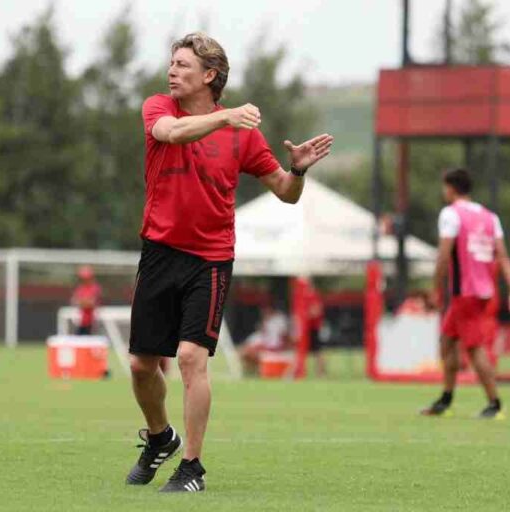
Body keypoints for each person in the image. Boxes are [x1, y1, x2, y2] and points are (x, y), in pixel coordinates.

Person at [125, 32, 333, 493]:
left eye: (182, 65)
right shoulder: (160, 107)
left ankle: (192, 468)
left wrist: (296, 169)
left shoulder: (243, 134)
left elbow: (285, 192)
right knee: (141, 365)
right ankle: (160, 438)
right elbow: (170, 133)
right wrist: (224, 118)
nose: (172, 71)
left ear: (209, 75)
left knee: (191, 357)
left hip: (211, 259)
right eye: (172, 63)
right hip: (159, 251)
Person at [421, 168, 510, 420]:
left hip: (464, 293)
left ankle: (495, 404)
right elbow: (502, 256)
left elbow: (444, 256)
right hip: (483, 291)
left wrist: (435, 290)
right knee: (447, 343)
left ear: (450, 188)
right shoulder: (490, 217)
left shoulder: (450, 214)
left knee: (474, 348)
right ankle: (445, 400)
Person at [240, 304, 290, 374]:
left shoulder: (279, 320)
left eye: (266, 310)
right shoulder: (264, 324)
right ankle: (250, 371)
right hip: (265, 344)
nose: (264, 312)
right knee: (245, 352)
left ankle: (256, 371)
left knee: (249, 352)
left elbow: (283, 338)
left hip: (273, 347)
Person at [70, 266, 101, 335]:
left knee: (90, 342)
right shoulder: (80, 288)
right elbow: (74, 301)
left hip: (91, 321)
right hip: (80, 320)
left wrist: (82, 302)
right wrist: (84, 302)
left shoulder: (95, 288)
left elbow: (91, 303)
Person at [307, 285, 328, 378]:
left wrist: (306, 315)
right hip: (310, 328)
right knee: (317, 351)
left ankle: (321, 372)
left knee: (318, 351)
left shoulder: (313, 296)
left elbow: (316, 310)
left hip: (314, 328)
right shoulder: (308, 296)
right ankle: (319, 372)